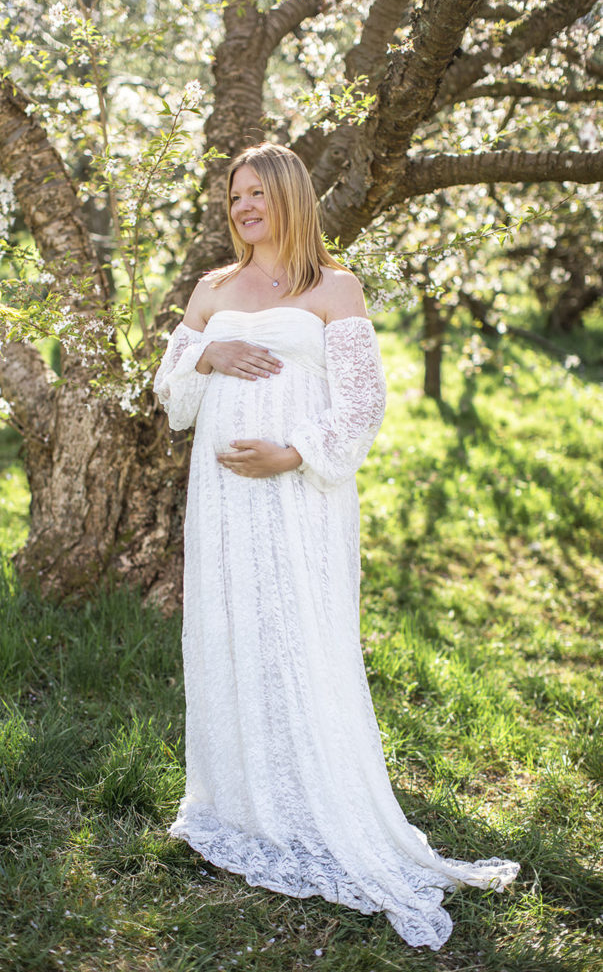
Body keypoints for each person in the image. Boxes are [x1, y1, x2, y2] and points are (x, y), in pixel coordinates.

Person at [154, 142, 518, 950]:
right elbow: (172, 393)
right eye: (234, 195)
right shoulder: (211, 288)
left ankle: (315, 799)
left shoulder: (334, 286)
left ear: (290, 197)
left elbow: (362, 403)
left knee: (298, 637)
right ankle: (236, 804)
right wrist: (206, 352)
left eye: (257, 193)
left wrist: (291, 453)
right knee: (232, 633)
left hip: (301, 497)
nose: (243, 206)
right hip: (221, 503)